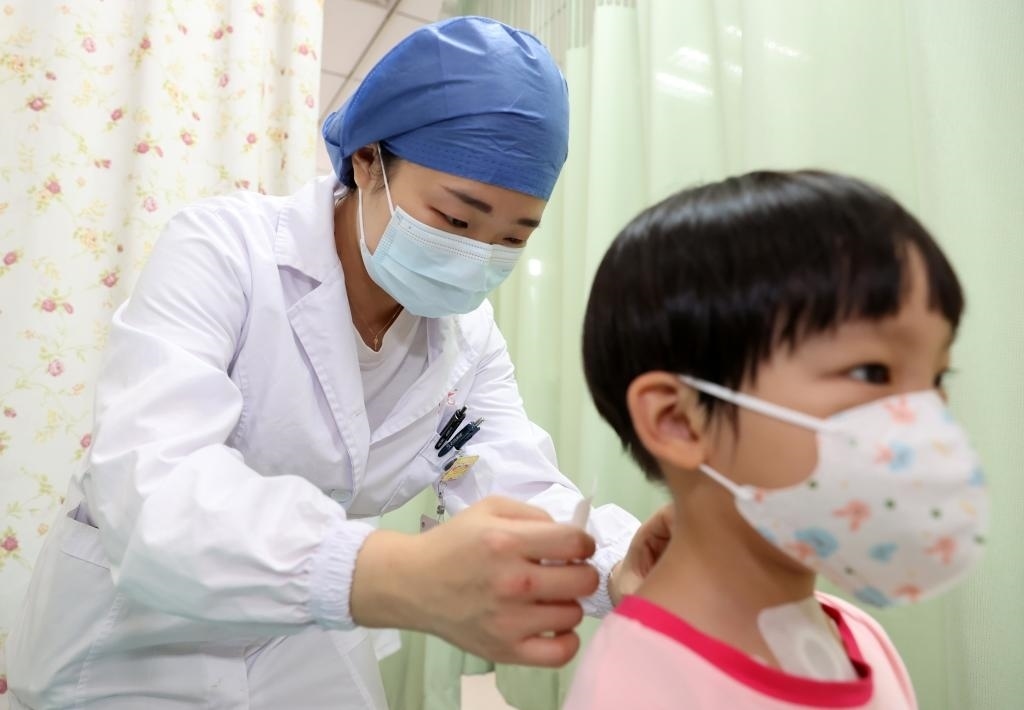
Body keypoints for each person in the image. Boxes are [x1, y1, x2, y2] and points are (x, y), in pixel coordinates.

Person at [6, 17, 676, 709]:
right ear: (367, 161)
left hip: (300, 633)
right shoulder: (225, 250)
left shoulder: (468, 338)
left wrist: (618, 563)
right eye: (456, 220)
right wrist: (399, 573)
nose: (478, 255)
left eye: (512, 237)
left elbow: (514, 480)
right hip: (134, 636)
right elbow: (155, 488)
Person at [563, 171, 990, 709]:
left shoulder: (859, 636)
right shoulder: (639, 690)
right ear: (679, 421)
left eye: (937, 377)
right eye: (872, 372)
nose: (924, 417)